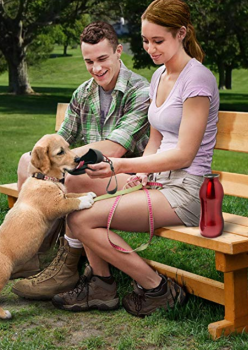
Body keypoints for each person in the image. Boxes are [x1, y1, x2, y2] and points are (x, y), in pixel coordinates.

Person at [51, 0, 220, 317]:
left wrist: (123, 165)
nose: (151, 48)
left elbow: (184, 154)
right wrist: (142, 173)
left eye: (158, 41)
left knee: (80, 219)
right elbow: (155, 140)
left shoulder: (197, 80)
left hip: (185, 191)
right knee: (76, 181)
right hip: (156, 182)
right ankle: (101, 287)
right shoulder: (159, 76)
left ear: (181, 33)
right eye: (145, 40)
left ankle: (158, 288)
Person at [11, 21, 150, 299]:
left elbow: (115, 147)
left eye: (102, 59)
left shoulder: (140, 91)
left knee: (73, 178)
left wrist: (63, 160)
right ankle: (29, 251)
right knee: (26, 161)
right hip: (89, 172)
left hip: (130, 177)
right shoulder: (84, 92)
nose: (96, 68)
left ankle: (67, 267)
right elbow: (60, 138)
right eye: (89, 61)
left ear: (118, 51)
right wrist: (42, 156)